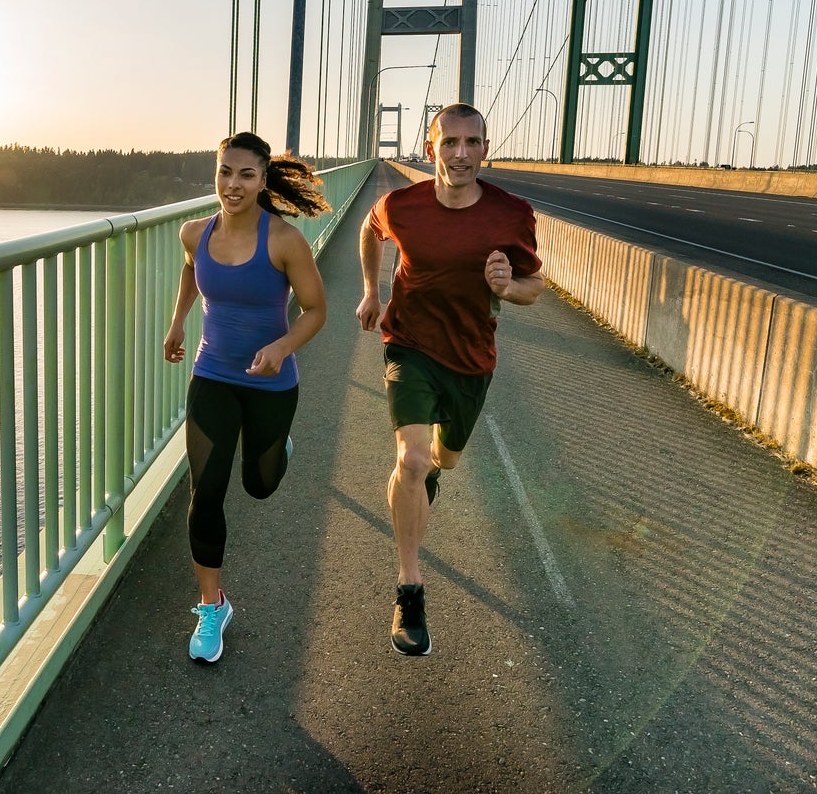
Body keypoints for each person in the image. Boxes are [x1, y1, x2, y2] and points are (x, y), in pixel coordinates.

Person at [355, 103, 545, 656]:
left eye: (473, 143)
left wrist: (509, 288)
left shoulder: (512, 214)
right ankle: (409, 590)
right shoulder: (400, 205)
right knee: (411, 460)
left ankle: (423, 481)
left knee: (444, 460)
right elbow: (370, 230)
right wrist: (371, 291)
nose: (461, 154)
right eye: (450, 143)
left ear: (486, 148)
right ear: (430, 146)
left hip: (471, 357)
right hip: (408, 344)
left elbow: (534, 286)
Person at [163, 131, 330, 663]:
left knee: (259, 486)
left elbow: (316, 310)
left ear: (263, 181)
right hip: (212, 375)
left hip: (270, 382)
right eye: (224, 172)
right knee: (205, 492)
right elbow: (192, 271)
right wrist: (177, 323)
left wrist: (281, 347)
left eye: (246, 175)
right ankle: (212, 605)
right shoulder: (194, 232)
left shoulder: (283, 240)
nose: (232, 185)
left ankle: (277, 449)